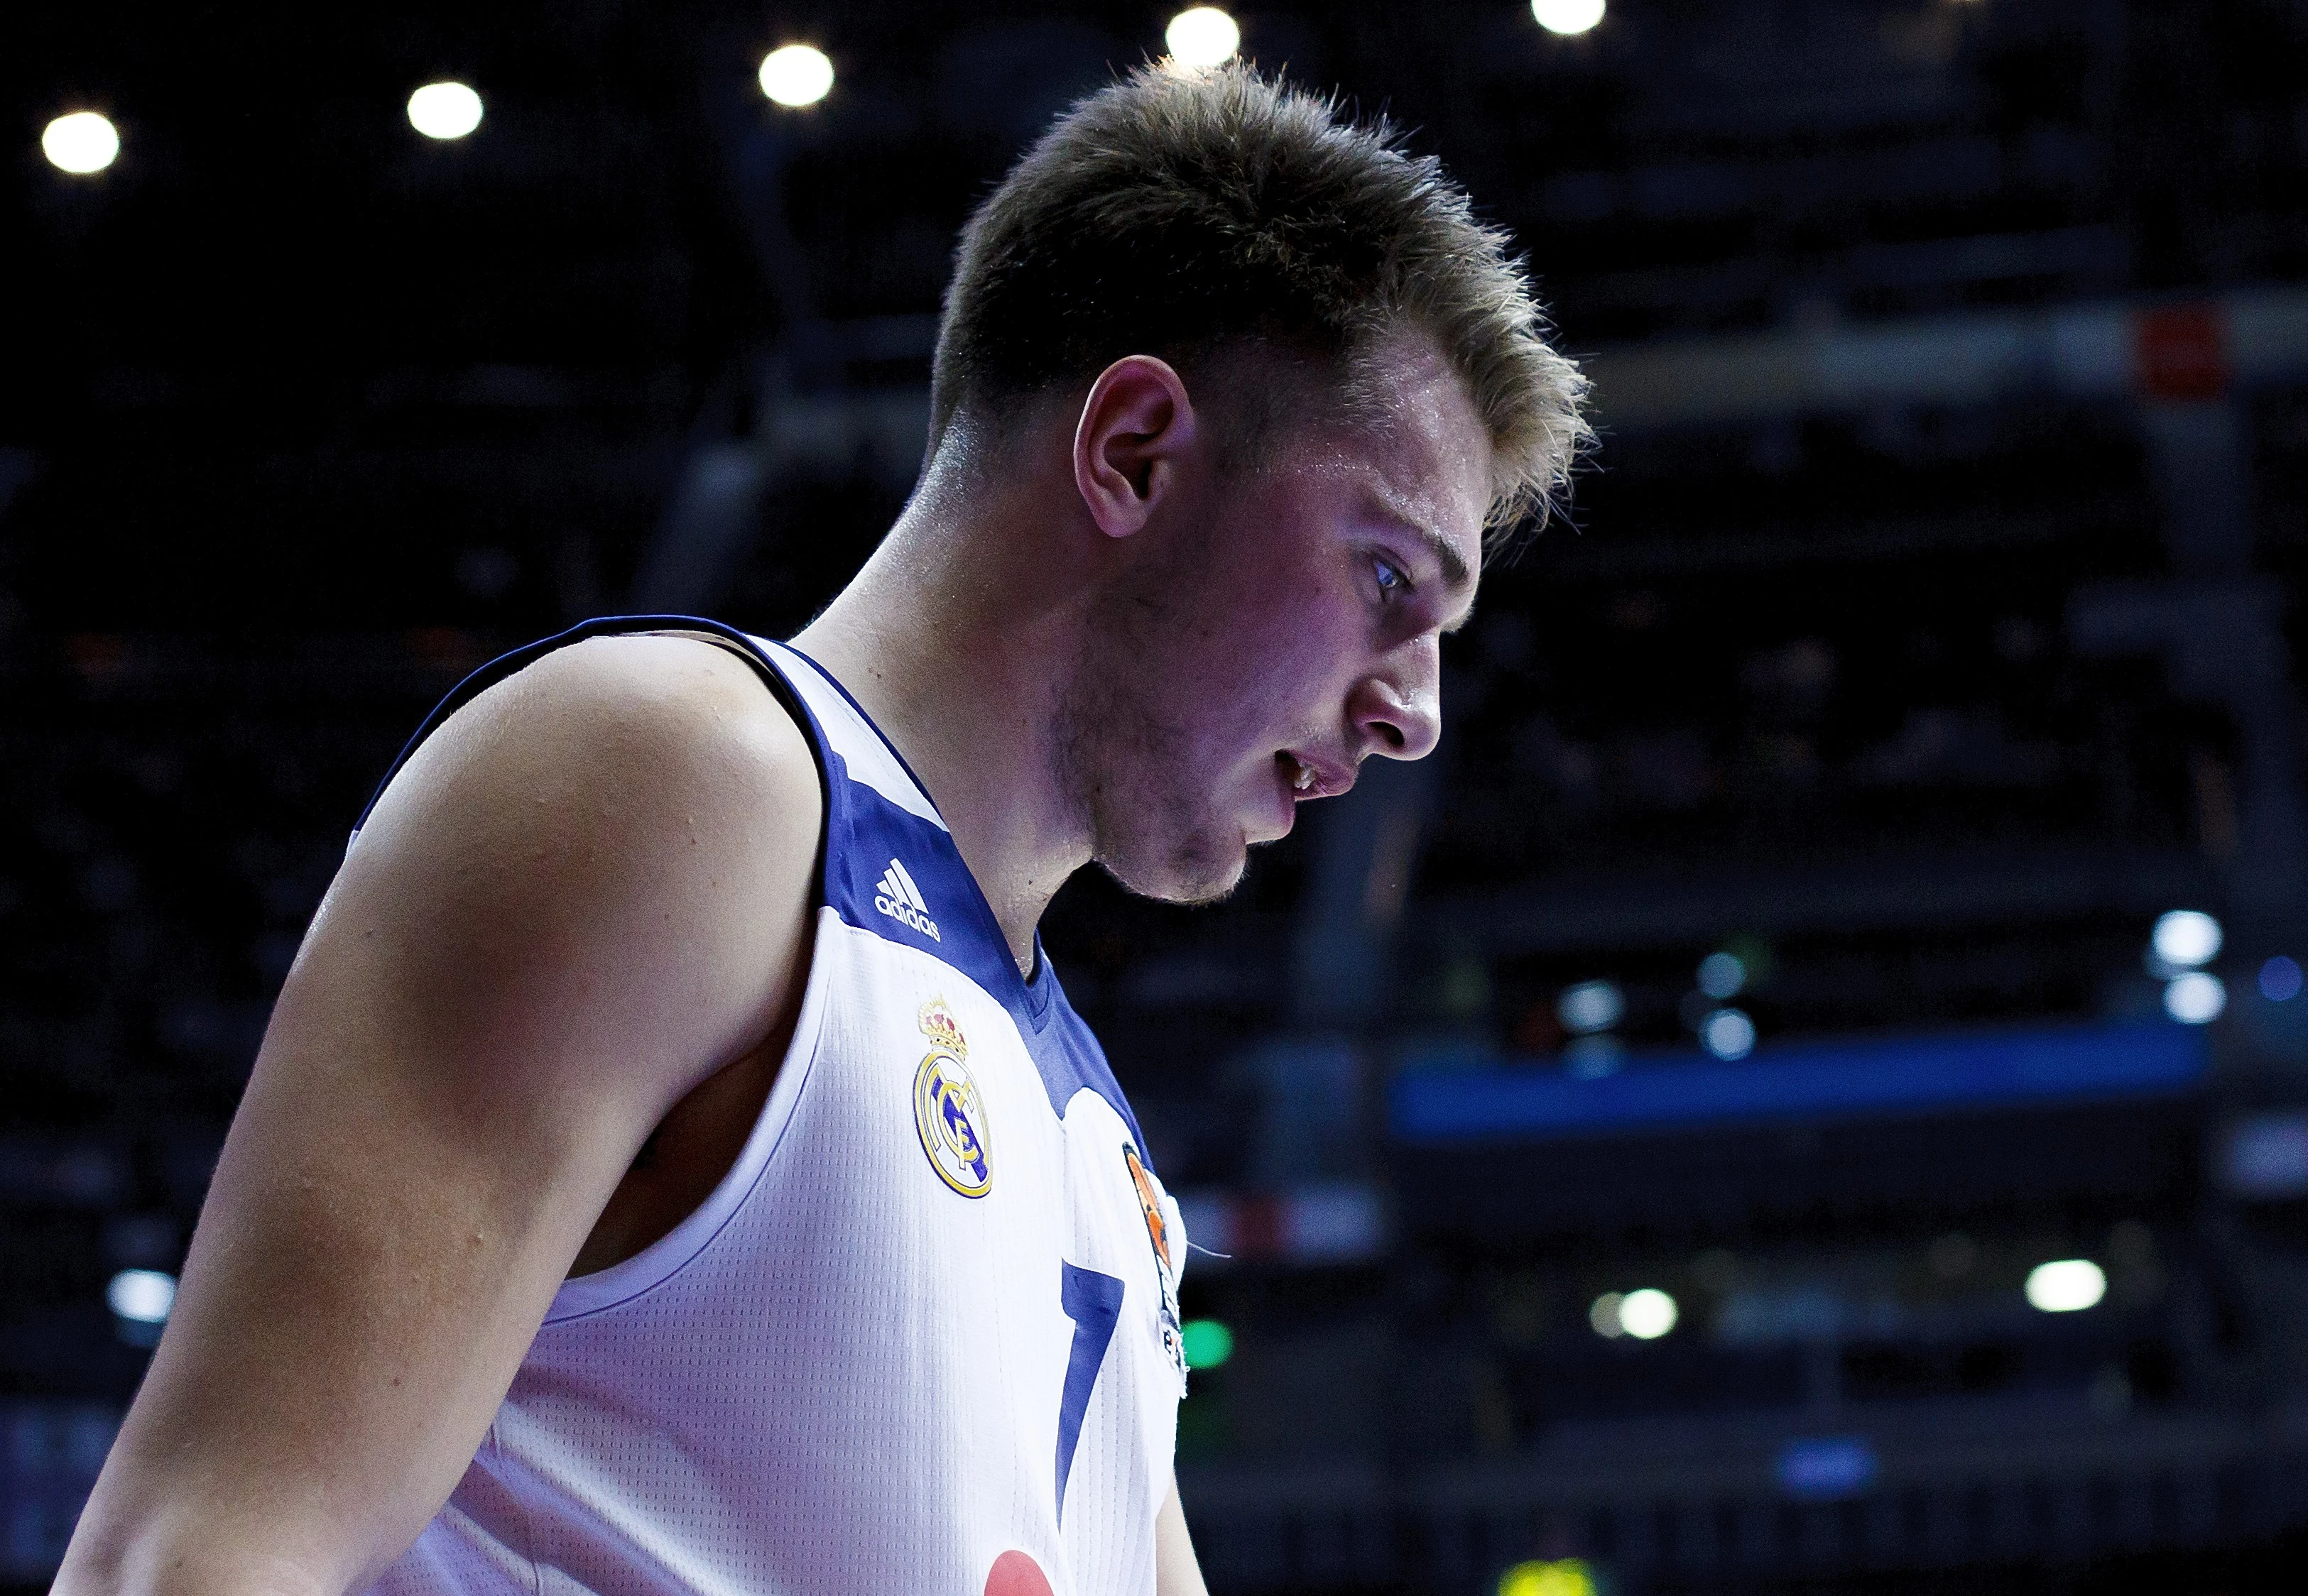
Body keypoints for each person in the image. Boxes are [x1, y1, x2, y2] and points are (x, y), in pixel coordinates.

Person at [57, 62, 1587, 1596]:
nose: (1417, 712)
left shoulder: (1103, 1164)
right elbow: (189, 1561)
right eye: (1389, 578)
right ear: (1132, 449)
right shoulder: (672, 777)